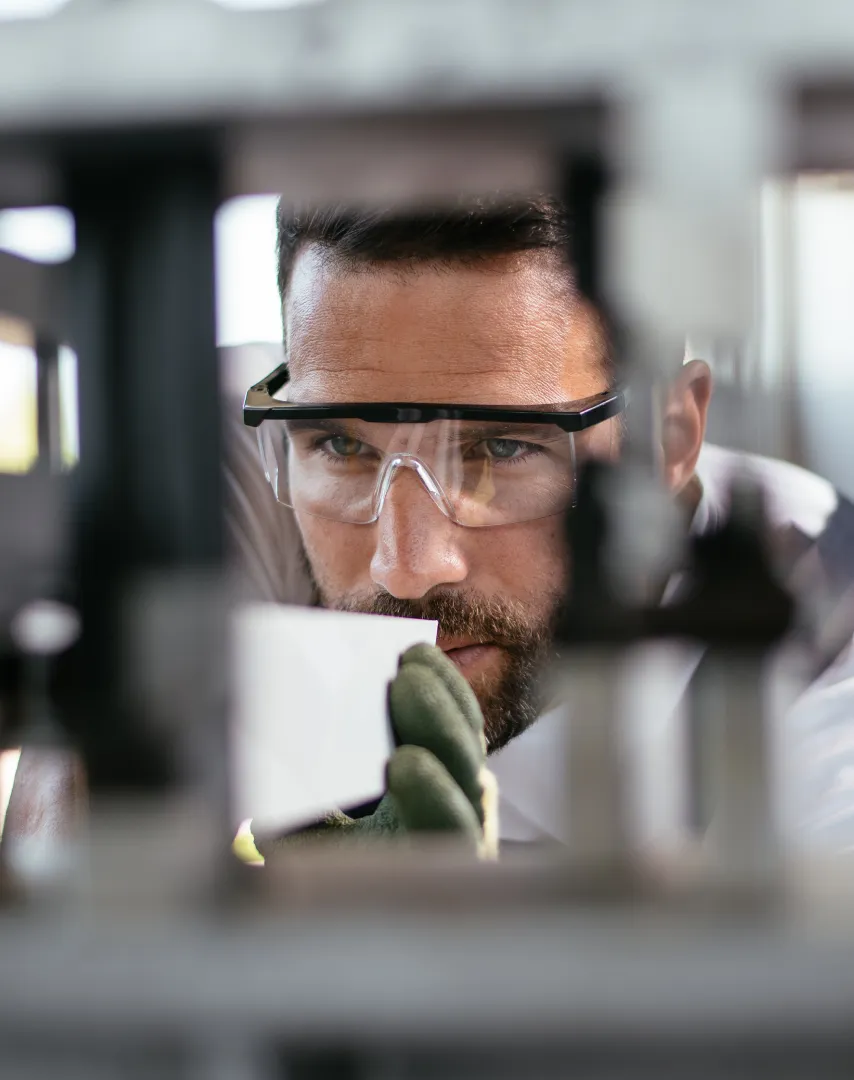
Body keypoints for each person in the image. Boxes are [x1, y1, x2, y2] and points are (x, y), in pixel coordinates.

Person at [228, 194, 854, 859]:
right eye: (344, 447)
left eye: (501, 448)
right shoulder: (217, 464)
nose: (404, 567)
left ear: (670, 439)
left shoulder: (825, 703)